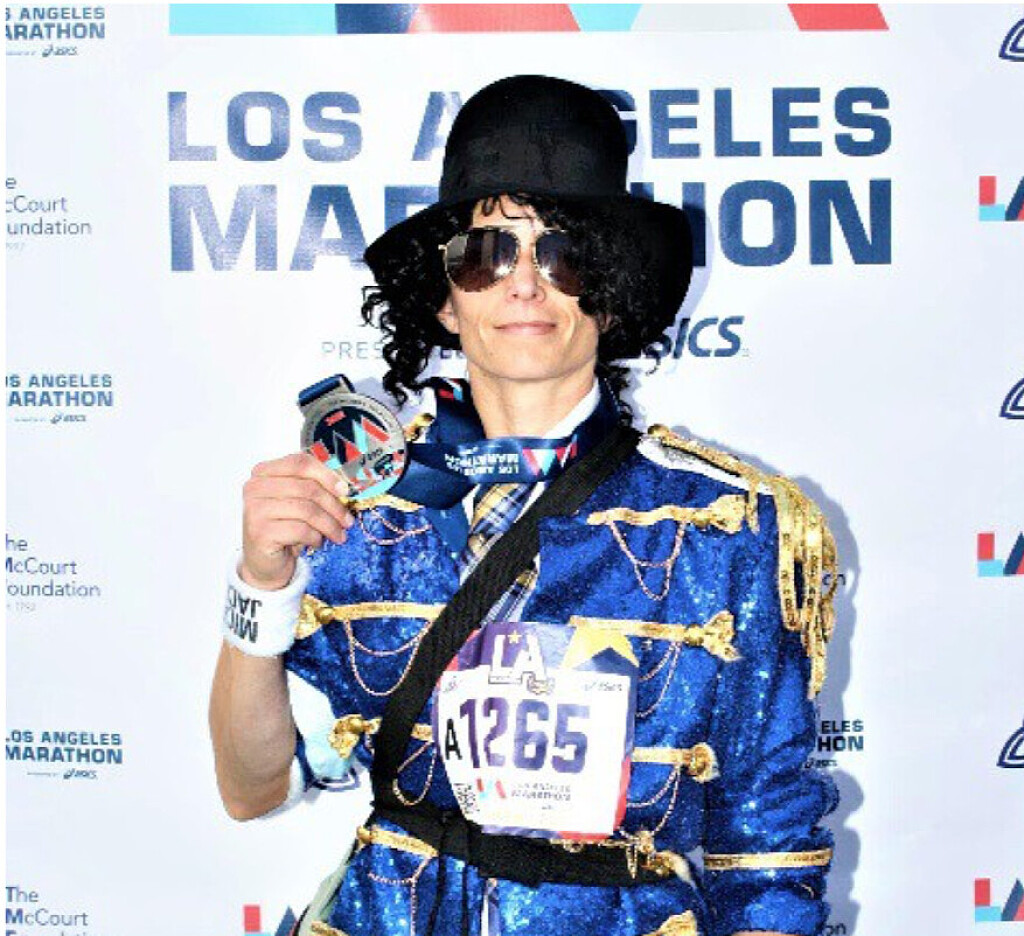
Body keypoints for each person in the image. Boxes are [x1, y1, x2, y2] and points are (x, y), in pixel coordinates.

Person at [210, 75, 839, 936]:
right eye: (487, 253)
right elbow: (251, 789)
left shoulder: (725, 530)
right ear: (446, 295)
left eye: (565, 255)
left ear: (607, 293)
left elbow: (767, 851)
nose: (526, 284)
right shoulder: (356, 507)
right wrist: (262, 583)